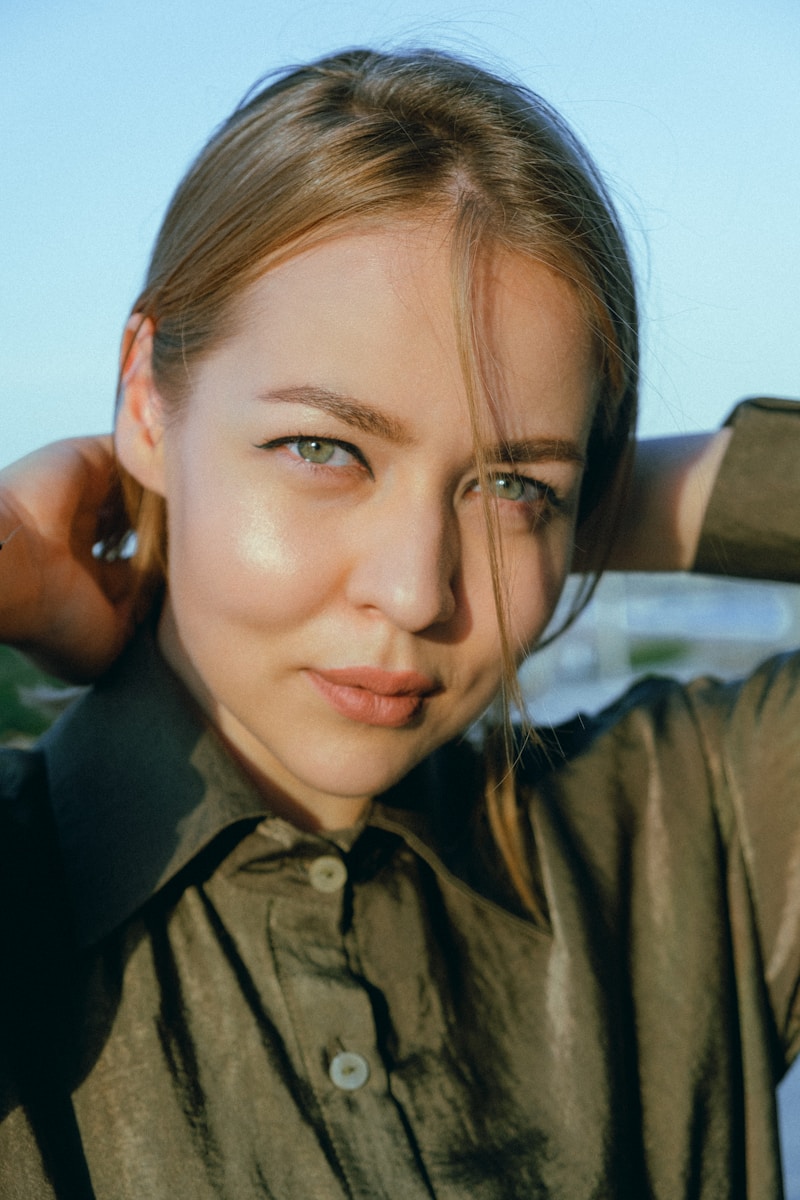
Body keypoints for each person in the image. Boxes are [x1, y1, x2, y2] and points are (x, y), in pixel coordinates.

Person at [0, 46, 798, 1200]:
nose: (416, 591)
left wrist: (605, 496)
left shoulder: (683, 835)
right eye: (323, 449)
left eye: (513, 487)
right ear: (144, 397)